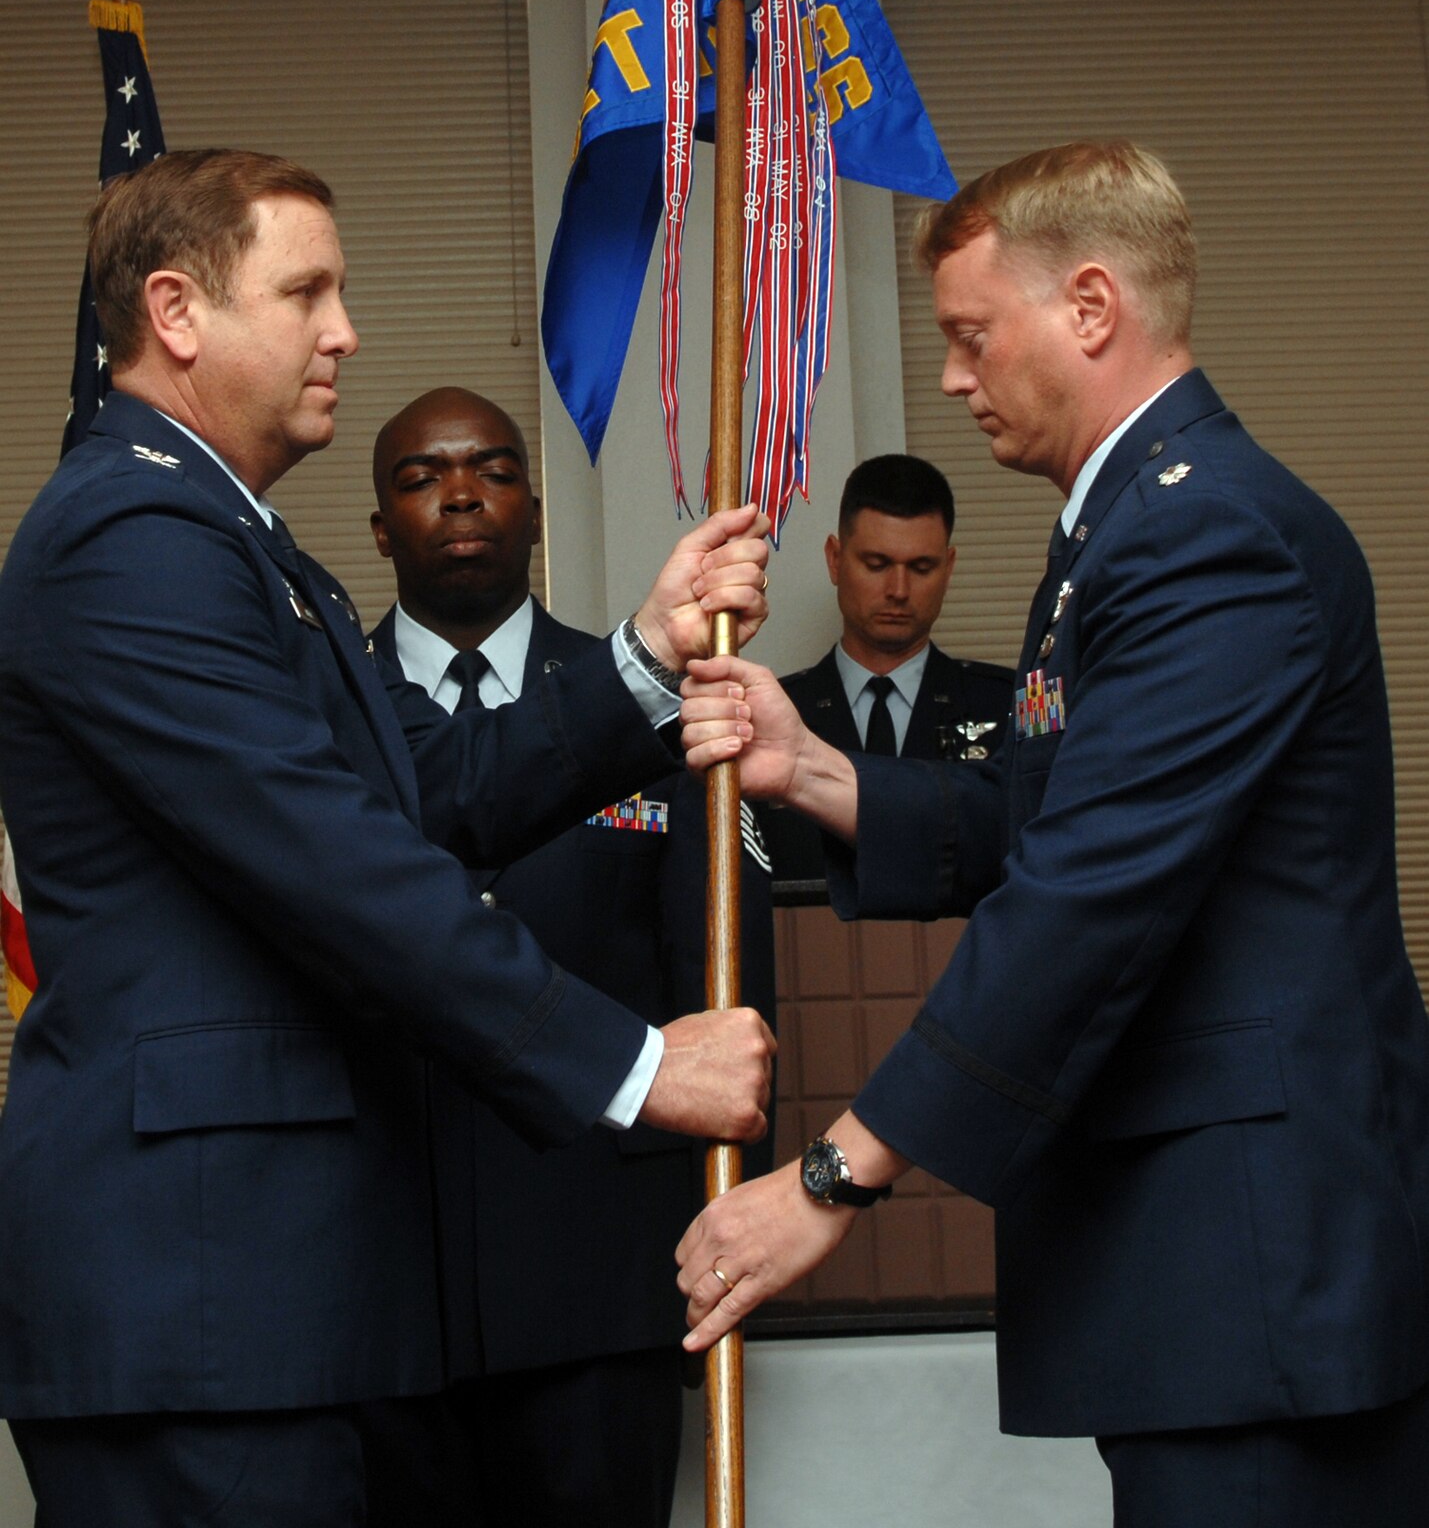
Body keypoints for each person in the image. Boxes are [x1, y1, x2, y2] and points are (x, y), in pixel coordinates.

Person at [0, 149, 775, 1528]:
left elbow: (413, 788)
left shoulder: (239, 542)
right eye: (305, 291)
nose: (345, 329)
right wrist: (637, 1064)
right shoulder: (129, 531)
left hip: (276, 1299)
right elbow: (336, 866)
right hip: (204, 1297)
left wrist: (646, 661)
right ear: (176, 313)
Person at [677, 140, 1429, 1526]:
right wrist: (821, 775)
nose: (954, 378)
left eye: (971, 337)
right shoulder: (1128, 529)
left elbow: (1089, 894)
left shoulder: (1208, 541)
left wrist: (835, 1176)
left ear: (1090, 308)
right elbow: (1058, 819)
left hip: (1253, 1257)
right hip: (1197, 1258)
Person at [366, 385, 774, 1528]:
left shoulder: (651, 703)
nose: (459, 492)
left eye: (493, 467)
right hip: (379, 1294)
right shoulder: (320, 722)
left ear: (535, 509)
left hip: (603, 1291)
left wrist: (733, 1252)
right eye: (421, 474)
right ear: (378, 528)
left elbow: (727, 989)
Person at [762, 453, 1011, 885]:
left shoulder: (1005, 706)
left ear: (948, 569)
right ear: (835, 560)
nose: (898, 590)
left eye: (921, 568)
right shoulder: (775, 717)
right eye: (876, 565)